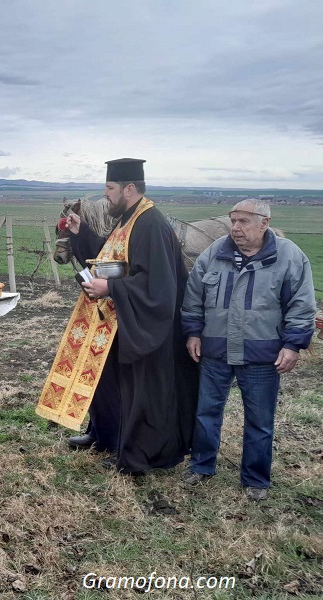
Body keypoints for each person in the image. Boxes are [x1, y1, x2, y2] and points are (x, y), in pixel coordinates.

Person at [36, 158, 198, 475]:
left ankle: (140, 455)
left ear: (129, 188)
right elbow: (110, 257)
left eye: (109, 188)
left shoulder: (151, 225)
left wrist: (109, 287)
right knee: (104, 378)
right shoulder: (128, 219)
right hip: (119, 321)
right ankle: (107, 436)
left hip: (147, 327)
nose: (105, 195)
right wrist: (81, 233)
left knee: (140, 392)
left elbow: (157, 286)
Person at [180, 199, 315, 501]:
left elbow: (302, 305)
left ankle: (255, 478)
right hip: (215, 351)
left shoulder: (289, 256)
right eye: (233, 221)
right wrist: (192, 332)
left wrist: (293, 344)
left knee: (259, 421)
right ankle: (201, 466)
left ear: (264, 223)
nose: (236, 228)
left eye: (244, 221)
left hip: (262, 356)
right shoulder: (215, 252)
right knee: (206, 413)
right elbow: (193, 297)